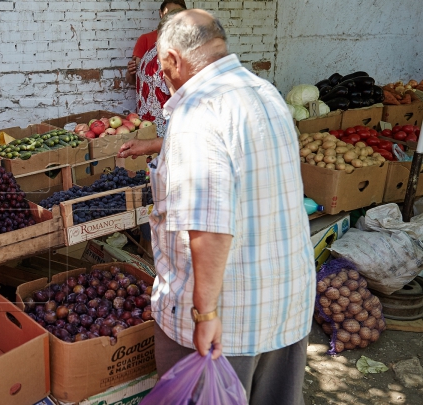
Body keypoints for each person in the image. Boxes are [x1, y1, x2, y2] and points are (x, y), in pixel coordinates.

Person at [148, 9, 315, 405]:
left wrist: (205, 315)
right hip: (286, 303)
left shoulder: (197, 113)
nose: (163, 77)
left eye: (161, 67)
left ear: (173, 58)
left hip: (228, 326)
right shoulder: (266, 93)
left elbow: (208, 226)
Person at [125, 0, 186, 140]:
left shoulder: (150, 52)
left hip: (146, 125)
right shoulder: (170, 55)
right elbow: (177, 94)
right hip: (166, 130)